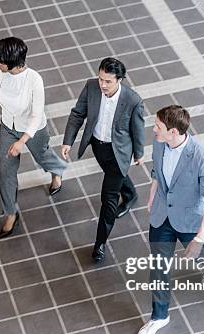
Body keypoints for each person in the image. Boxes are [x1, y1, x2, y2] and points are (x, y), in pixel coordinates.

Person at [136, 105, 204, 334]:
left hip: (189, 221)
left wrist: (199, 237)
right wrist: (153, 192)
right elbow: (157, 170)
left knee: (199, 253)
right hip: (161, 216)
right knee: (158, 267)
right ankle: (159, 316)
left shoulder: (203, 158)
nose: (153, 129)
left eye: (158, 127)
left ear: (173, 132)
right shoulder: (158, 143)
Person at [62, 57, 144, 262]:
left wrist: (139, 152)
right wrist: (68, 141)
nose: (102, 84)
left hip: (119, 153)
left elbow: (138, 128)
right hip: (98, 146)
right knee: (114, 176)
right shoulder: (91, 87)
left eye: (108, 81)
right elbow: (77, 114)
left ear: (120, 80)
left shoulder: (133, 100)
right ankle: (131, 194)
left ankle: (100, 244)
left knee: (108, 200)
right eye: (101, 79)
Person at [0, 37, 67, 238]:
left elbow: (36, 115)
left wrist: (22, 140)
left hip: (33, 130)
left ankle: (57, 170)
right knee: (5, 171)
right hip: (7, 127)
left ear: (11, 64)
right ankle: (10, 212)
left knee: (43, 157)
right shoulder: (0, 73)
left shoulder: (34, 79)